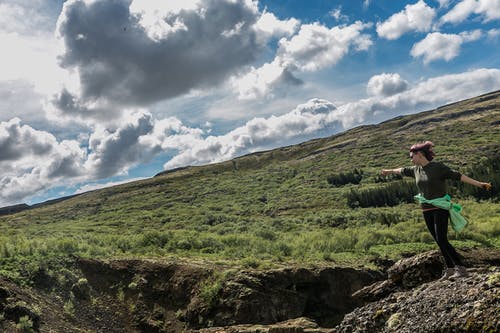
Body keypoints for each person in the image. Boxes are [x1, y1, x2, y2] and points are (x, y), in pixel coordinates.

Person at [381, 141, 491, 280]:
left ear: (419, 154)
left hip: (440, 208)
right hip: (426, 209)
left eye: (412, 156)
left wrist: (479, 184)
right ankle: (450, 269)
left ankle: (461, 269)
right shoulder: (415, 170)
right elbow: (400, 170)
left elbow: (458, 176)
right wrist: (388, 171)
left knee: (442, 239)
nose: (411, 159)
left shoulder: (437, 168)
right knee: (438, 240)